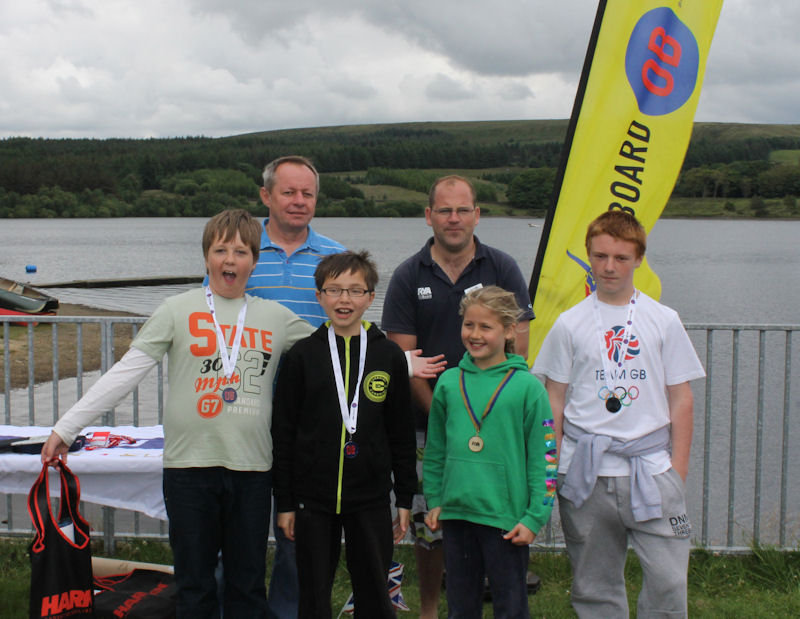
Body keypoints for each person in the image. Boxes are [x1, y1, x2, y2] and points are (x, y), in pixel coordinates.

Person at [41, 209, 314, 618]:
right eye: (220, 250)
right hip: (188, 469)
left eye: (240, 252)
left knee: (247, 583)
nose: (229, 260)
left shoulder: (274, 317)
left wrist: (400, 362)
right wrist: (66, 427)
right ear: (206, 258)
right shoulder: (176, 309)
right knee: (194, 584)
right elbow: (126, 373)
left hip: (253, 470)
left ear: (254, 262)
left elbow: (335, 353)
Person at [531, 209, 705, 618]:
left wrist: (677, 471)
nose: (609, 267)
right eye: (600, 256)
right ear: (589, 256)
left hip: (651, 470)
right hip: (586, 474)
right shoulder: (568, 324)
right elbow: (553, 400)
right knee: (594, 584)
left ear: (639, 259)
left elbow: (681, 399)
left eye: (621, 258)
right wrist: (551, 467)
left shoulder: (664, 320)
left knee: (669, 580)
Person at [381, 174, 534, 618]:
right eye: (444, 210)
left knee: (494, 515)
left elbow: (518, 341)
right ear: (428, 215)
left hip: (497, 427)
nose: (453, 219)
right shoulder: (410, 275)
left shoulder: (501, 267)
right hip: (429, 426)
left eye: (462, 210)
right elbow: (402, 357)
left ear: (476, 214)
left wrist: (486, 408)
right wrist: (450, 417)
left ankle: (503, 597)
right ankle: (431, 608)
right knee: (434, 526)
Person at [271, 251, 416, 618]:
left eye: (355, 290)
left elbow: (400, 431)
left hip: (369, 496)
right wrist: (285, 501)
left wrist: (404, 497)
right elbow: (284, 432)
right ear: (318, 296)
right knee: (313, 592)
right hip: (312, 498)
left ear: (370, 297)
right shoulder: (303, 355)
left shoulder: (389, 356)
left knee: (373, 590)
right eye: (334, 290)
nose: (344, 300)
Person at [423, 286, 556, 618]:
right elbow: (436, 449)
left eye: (486, 327)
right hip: (457, 515)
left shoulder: (528, 388)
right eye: (469, 325)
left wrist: (534, 517)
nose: (475, 334)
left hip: (506, 521)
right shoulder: (449, 382)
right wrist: (435, 499)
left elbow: (547, 459)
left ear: (509, 330)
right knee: (460, 606)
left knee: (510, 606)